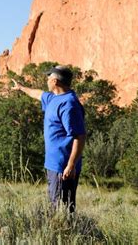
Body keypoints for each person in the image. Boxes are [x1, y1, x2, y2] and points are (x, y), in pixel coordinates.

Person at [12, 65, 86, 212]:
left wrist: (71, 165)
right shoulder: (54, 98)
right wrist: (21, 88)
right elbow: (38, 94)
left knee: (61, 209)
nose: (47, 79)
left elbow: (80, 137)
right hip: (53, 165)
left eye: (49, 76)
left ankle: (64, 234)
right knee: (56, 204)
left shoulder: (69, 104)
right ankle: (62, 232)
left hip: (63, 167)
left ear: (55, 81)